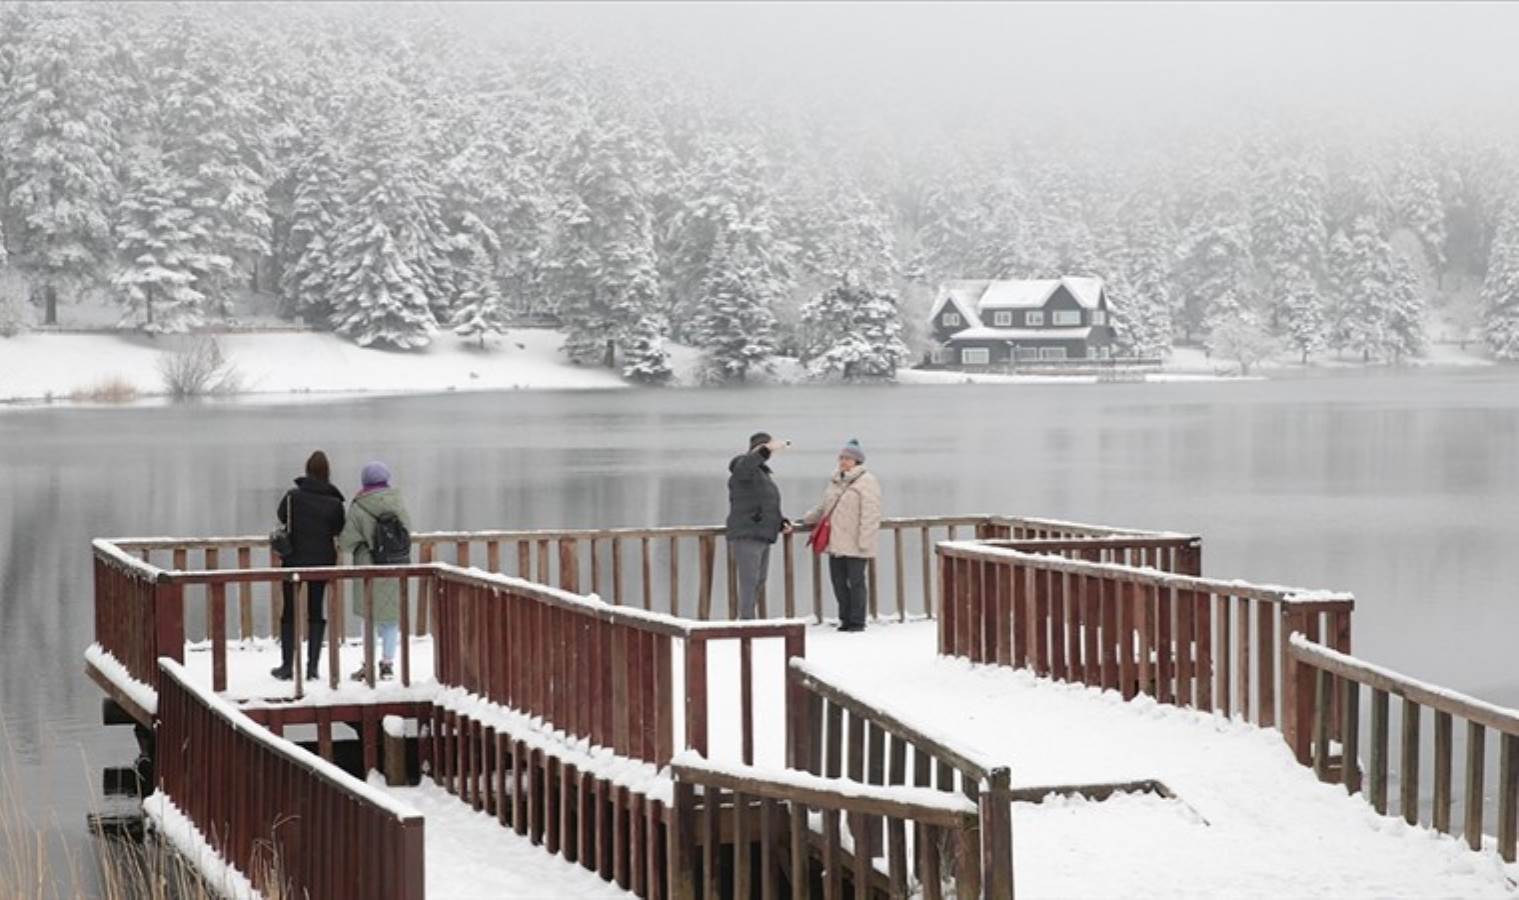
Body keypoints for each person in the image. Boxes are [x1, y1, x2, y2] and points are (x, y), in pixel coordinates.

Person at [270, 451, 346, 680]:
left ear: (307, 470)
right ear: (327, 472)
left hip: (294, 559)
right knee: (316, 609)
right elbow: (338, 529)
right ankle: (312, 668)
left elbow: (282, 516)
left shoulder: (293, 497)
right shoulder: (334, 502)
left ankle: (286, 666)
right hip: (322, 560)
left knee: (289, 611)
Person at [339, 461, 413, 680]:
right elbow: (407, 529)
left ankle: (368, 664)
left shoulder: (359, 505)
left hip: (369, 566)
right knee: (391, 617)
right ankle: (388, 664)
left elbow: (346, 543)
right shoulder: (397, 501)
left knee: (368, 617)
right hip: (395, 564)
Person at [801, 439, 881, 632]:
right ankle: (844, 618)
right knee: (838, 581)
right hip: (835, 542)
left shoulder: (867, 481)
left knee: (856, 582)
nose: (843, 461)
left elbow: (871, 513)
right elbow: (825, 506)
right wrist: (807, 519)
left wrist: (865, 540)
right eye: (842, 457)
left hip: (856, 542)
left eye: (848, 458)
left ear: (858, 461)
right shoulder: (836, 480)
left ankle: (857, 621)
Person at [726, 431, 792, 620]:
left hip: (763, 534)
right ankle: (747, 622)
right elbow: (745, 466)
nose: (768, 452)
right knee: (749, 582)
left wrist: (781, 522)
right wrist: (765, 449)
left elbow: (766, 503)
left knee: (759, 581)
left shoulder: (763, 474)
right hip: (747, 534)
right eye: (763, 448)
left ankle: (749, 620)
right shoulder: (742, 467)